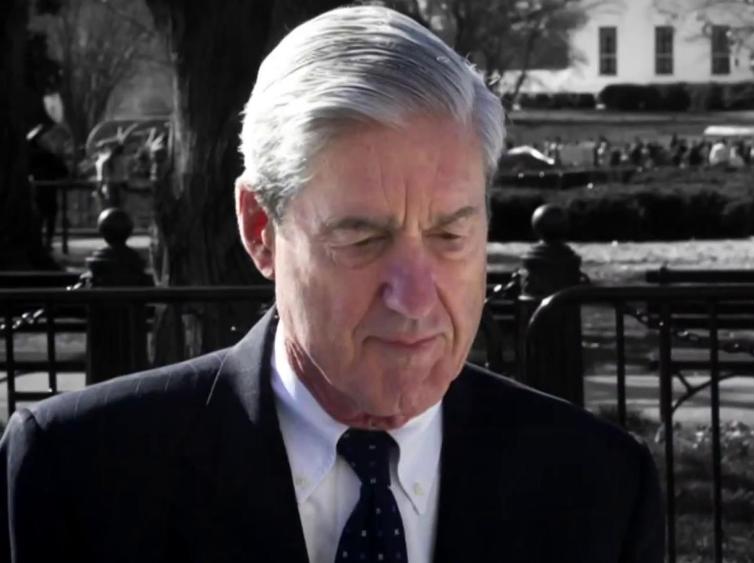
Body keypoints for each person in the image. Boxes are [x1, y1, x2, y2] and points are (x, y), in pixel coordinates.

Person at [0, 6, 664, 563]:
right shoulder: (80, 475)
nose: (415, 297)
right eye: (362, 238)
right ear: (260, 228)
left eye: (450, 234)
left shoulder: (600, 487)